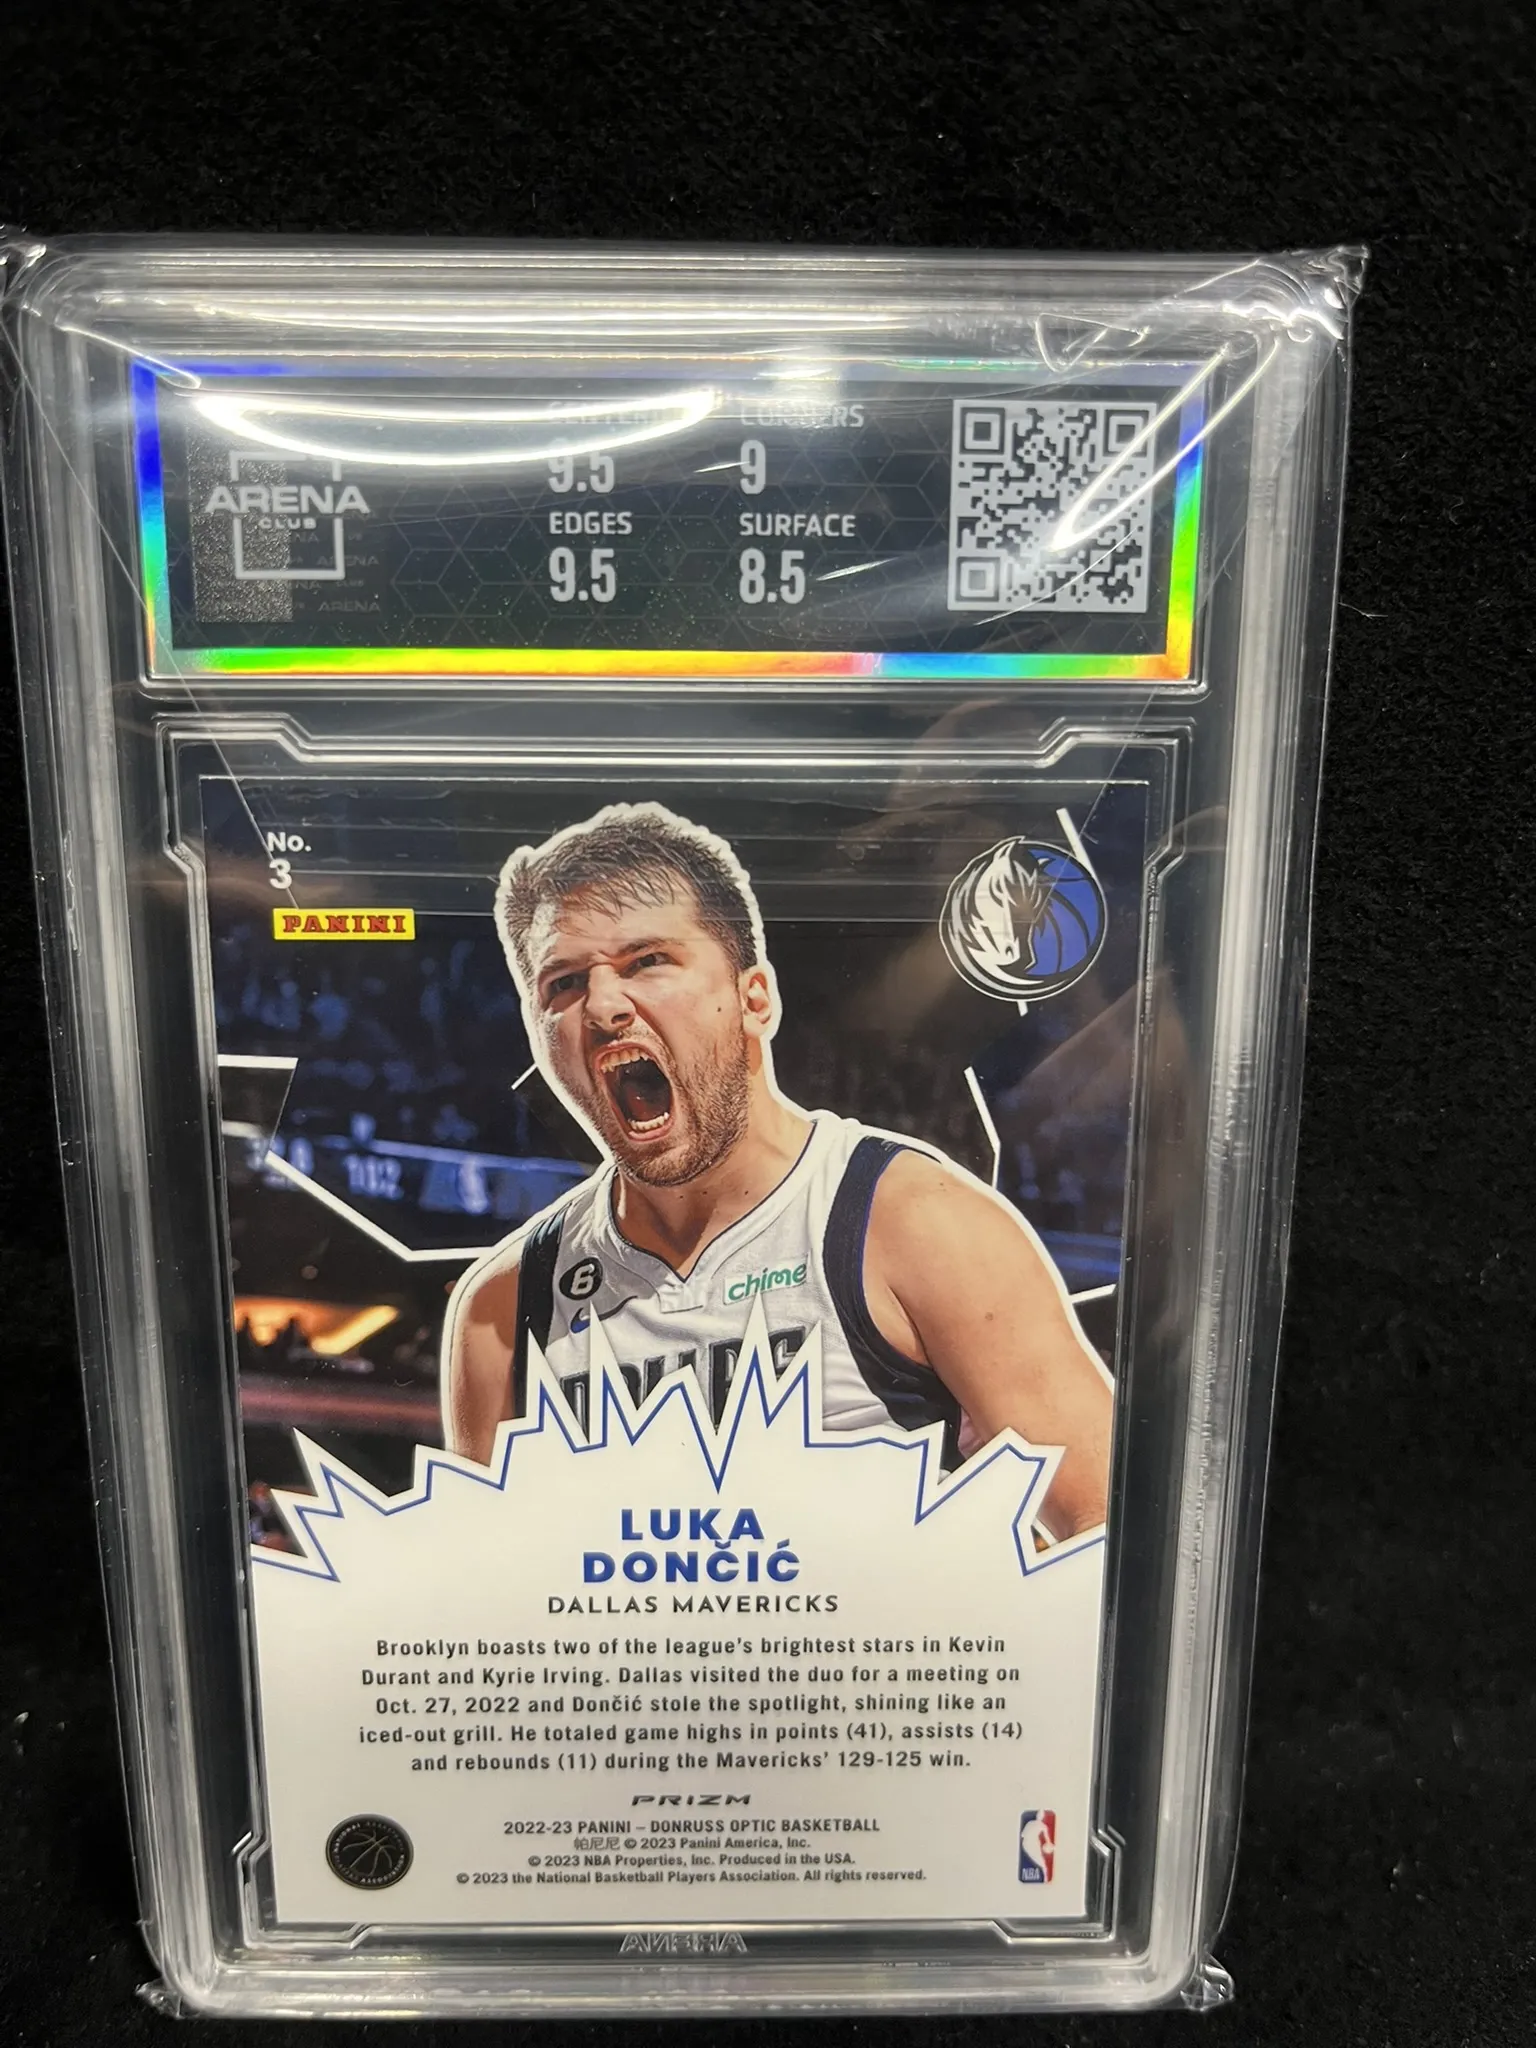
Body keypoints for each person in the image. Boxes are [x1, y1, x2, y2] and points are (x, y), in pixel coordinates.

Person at [443, 804, 1111, 1539]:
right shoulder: (503, 1306)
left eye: (647, 961)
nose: (602, 1005)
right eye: (564, 983)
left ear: (754, 999)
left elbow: (1105, 1533)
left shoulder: (913, 1220)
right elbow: (488, 1584)